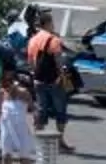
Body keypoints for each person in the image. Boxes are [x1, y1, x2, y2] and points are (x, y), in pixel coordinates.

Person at [27, 17, 79, 155]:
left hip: (38, 80)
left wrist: (35, 76)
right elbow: (59, 61)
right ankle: (60, 142)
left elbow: (31, 62)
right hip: (54, 81)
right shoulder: (53, 40)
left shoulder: (33, 40)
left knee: (41, 109)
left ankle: (39, 142)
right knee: (60, 111)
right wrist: (62, 78)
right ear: (48, 24)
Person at [0, 81, 40, 164]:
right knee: (6, 158)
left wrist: (36, 119)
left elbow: (33, 108)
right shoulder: (2, 93)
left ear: (14, 84)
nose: (7, 90)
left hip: (20, 129)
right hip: (7, 129)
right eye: (4, 87)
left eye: (8, 87)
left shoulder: (24, 93)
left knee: (24, 160)